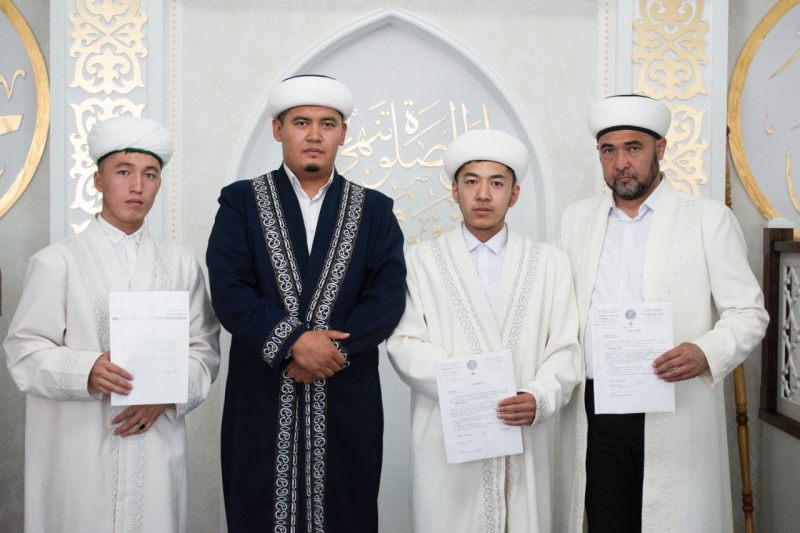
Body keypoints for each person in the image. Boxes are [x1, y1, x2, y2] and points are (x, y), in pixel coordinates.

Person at [556, 95, 769, 533]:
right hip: (596, 408)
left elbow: (749, 312)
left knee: (674, 519)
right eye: (608, 150)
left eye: (633, 148)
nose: (621, 163)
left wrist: (706, 351)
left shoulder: (707, 219)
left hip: (676, 404)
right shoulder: (576, 221)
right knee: (606, 520)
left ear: (661, 149)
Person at [206, 74, 406, 533]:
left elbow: (387, 296)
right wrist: (294, 342)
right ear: (278, 130)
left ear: (343, 133)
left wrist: (330, 351)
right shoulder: (241, 203)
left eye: (327, 124)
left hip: (346, 397)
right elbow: (230, 289)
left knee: (346, 511)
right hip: (260, 394)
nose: (314, 135)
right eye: (301, 123)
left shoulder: (375, 210)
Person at [4, 115, 221, 533]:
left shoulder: (180, 263)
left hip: (156, 444)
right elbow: (24, 351)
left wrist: (166, 394)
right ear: (98, 181)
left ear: (159, 184)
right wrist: (87, 368)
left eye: (150, 174)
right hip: (77, 449)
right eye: (123, 172)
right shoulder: (55, 262)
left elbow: (204, 349)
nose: (137, 186)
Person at [386, 129, 582, 533]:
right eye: (471, 181)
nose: (482, 195)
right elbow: (403, 344)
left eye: (496, 183)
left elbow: (566, 350)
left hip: (522, 436)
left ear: (514, 194)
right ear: (454, 191)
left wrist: (538, 397)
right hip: (446, 444)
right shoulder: (421, 261)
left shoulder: (550, 264)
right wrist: (470, 384)